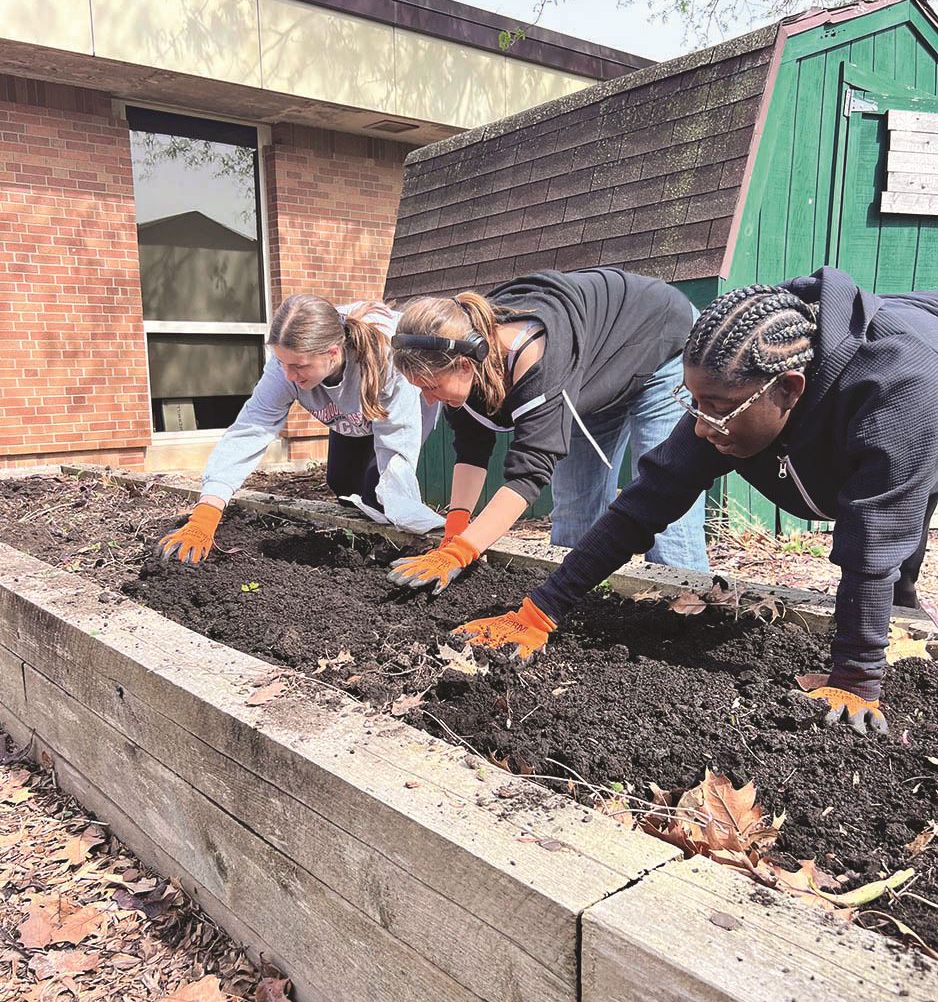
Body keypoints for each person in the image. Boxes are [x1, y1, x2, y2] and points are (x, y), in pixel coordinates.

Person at [451, 267, 938, 734]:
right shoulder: (735, 382)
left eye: (718, 410)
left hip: (928, 399)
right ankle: (895, 619)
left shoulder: (897, 391)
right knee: (890, 565)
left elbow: (872, 540)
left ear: (789, 391)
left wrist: (854, 678)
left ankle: (891, 639)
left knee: (892, 544)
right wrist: (539, 611)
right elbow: (645, 503)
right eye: (694, 402)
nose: (703, 426)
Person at [386, 267, 710, 594]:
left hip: (660, 341)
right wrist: (454, 533)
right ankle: (577, 609)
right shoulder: (467, 355)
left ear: (465, 366)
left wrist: (461, 553)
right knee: (573, 521)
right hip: (591, 373)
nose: (428, 399)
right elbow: (471, 448)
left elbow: (529, 474)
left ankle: (686, 613)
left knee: (665, 507)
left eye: (430, 386)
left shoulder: (536, 356)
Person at [158, 295, 442, 564]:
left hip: (394, 416)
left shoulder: (388, 356)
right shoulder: (287, 366)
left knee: (380, 495)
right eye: (281, 363)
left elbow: (396, 445)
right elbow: (251, 427)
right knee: (342, 485)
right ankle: (362, 537)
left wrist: (412, 519)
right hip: (351, 418)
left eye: (298, 366)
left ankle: (400, 546)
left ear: (333, 353)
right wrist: (208, 510)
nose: (288, 376)